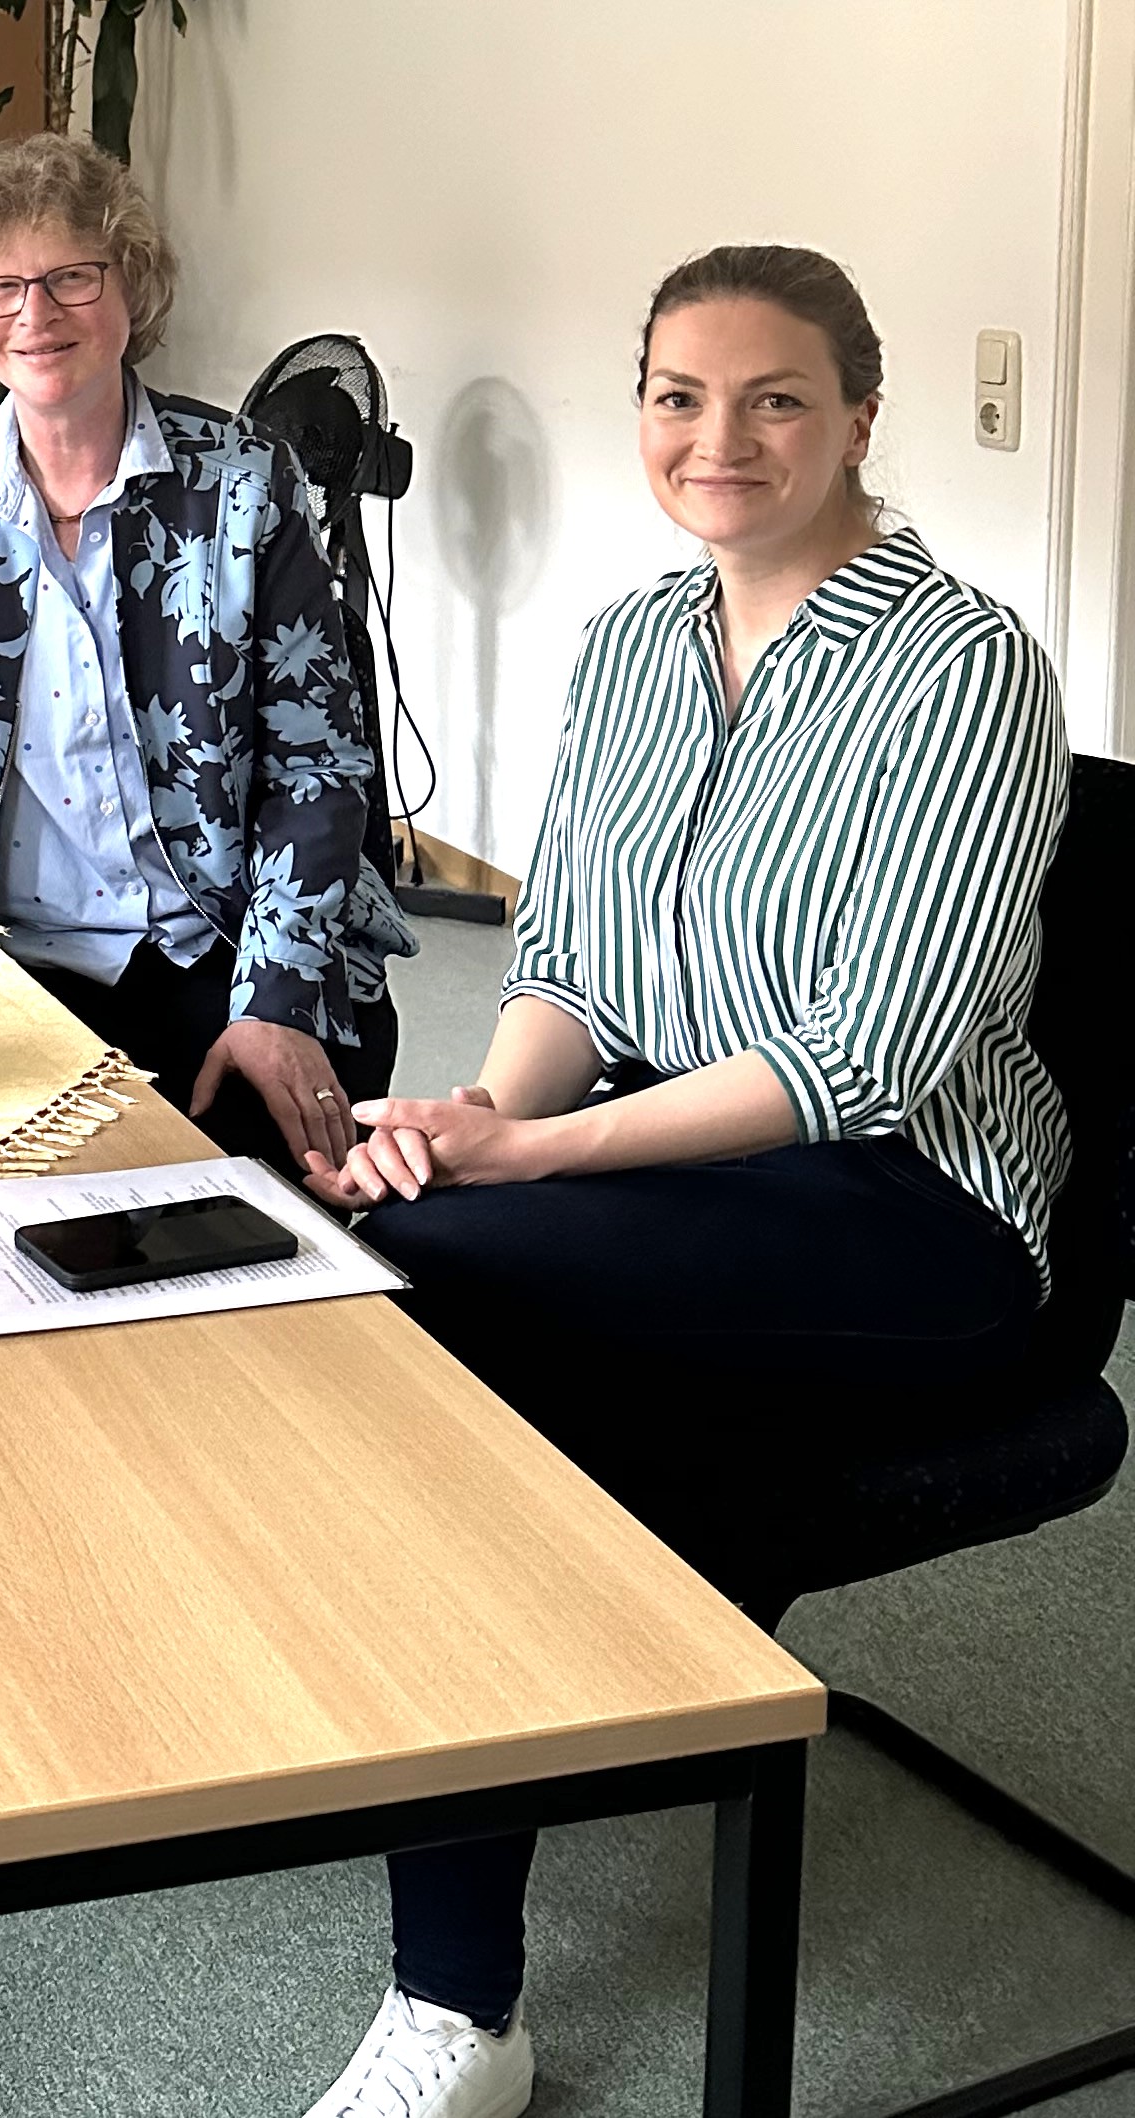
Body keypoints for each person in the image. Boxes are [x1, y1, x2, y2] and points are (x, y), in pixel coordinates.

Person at [294, 247, 1068, 2118]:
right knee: (404, 1257)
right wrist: (469, 1115)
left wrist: (525, 1157)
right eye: (676, 397)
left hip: (913, 1212)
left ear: (857, 420)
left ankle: (457, 2001)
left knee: (437, 1283)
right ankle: (504, 1772)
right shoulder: (632, 644)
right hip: (669, 1178)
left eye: (773, 398)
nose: (718, 438)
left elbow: (866, 1059)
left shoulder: (963, 669)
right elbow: (566, 962)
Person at [0, 130, 410, 1174]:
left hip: (225, 943)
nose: (35, 315)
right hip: (8, 957)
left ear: (131, 285)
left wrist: (275, 998)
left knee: (254, 1212)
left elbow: (318, 766)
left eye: (71, 278)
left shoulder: (243, 485)